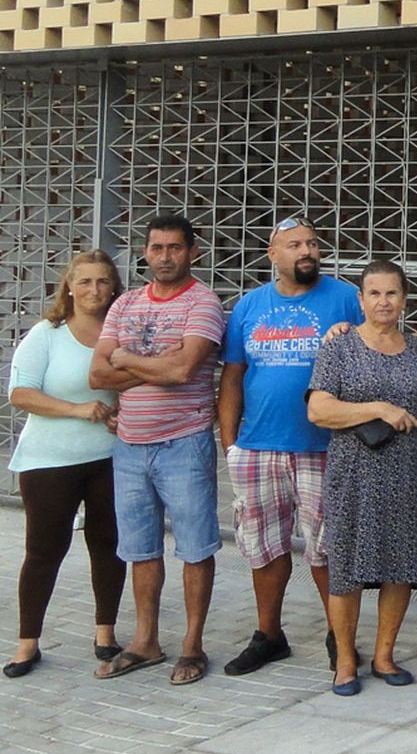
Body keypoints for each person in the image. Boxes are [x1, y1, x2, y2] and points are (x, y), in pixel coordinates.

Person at [217, 217, 363, 677]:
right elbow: (233, 376)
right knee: (263, 547)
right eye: (295, 244)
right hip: (258, 446)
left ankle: (340, 638)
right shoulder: (249, 306)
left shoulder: (345, 298)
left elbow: (372, 355)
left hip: (325, 447)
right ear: (273, 255)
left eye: (313, 244)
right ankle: (269, 635)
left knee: (326, 550)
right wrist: (230, 444)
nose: (307, 251)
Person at [90, 215, 224, 686]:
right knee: (140, 549)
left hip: (183, 443)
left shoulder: (203, 303)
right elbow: (98, 375)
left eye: (175, 248)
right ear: (145, 253)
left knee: (195, 547)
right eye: (157, 248)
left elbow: (183, 370)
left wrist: (127, 358)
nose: (165, 257)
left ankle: (192, 645)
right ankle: (145, 641)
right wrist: (155, 364)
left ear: (192, 252)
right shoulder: (125, 303)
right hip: (129, 446)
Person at [307, 260, 417, 696]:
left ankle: (384, 655)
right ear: (360, 300)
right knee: (346, 567)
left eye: (392, 293)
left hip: (408, 473)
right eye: (374, 293)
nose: (384, 301)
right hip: (353, 475)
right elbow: (318, 409)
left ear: (405, 299)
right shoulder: (339, 348)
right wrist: (379, 408)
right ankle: (345, 659)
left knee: (401, 564)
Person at [5, 252, 126, 678]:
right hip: (49, 461)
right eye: (85, 282)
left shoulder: (121, 335)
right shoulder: (47, 335)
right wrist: (77, 409)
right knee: (44, 550)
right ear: (69, 288)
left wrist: (122, 413)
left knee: (108, 544)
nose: (94, 290)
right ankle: (27, 643)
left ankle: (105, 632)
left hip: (108, 458)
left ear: (114, 288)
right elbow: (20, 394)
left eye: (103, 281)